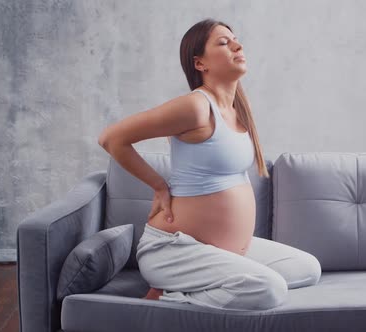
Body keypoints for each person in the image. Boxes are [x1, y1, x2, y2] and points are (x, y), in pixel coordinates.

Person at [97, 18, 321, 311]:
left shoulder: (237, 110)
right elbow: (112, 138)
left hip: (223, 251)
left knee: (307, 268)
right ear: (200, 63)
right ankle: (166, 297)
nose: (238, 45)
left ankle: (211, 280)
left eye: (236, 39)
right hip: (175, 252)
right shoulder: (197, 106)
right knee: (268, 288)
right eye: (224, 43)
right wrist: (158, 185)